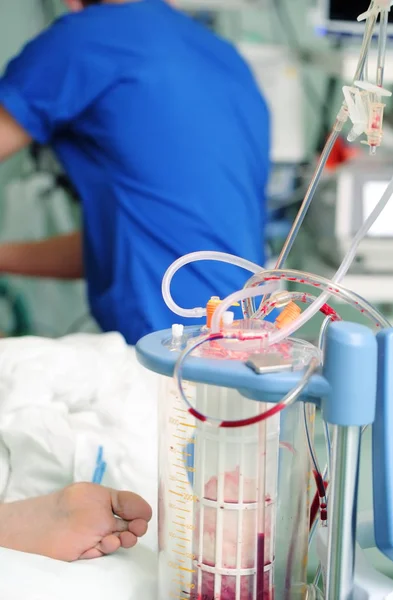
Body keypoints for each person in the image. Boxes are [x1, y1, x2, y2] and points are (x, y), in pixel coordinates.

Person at [0, 0, 270, 561]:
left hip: (156, 362)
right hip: (239, 372)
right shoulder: (224, 59)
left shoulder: (88, 36)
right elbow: (127, 241)